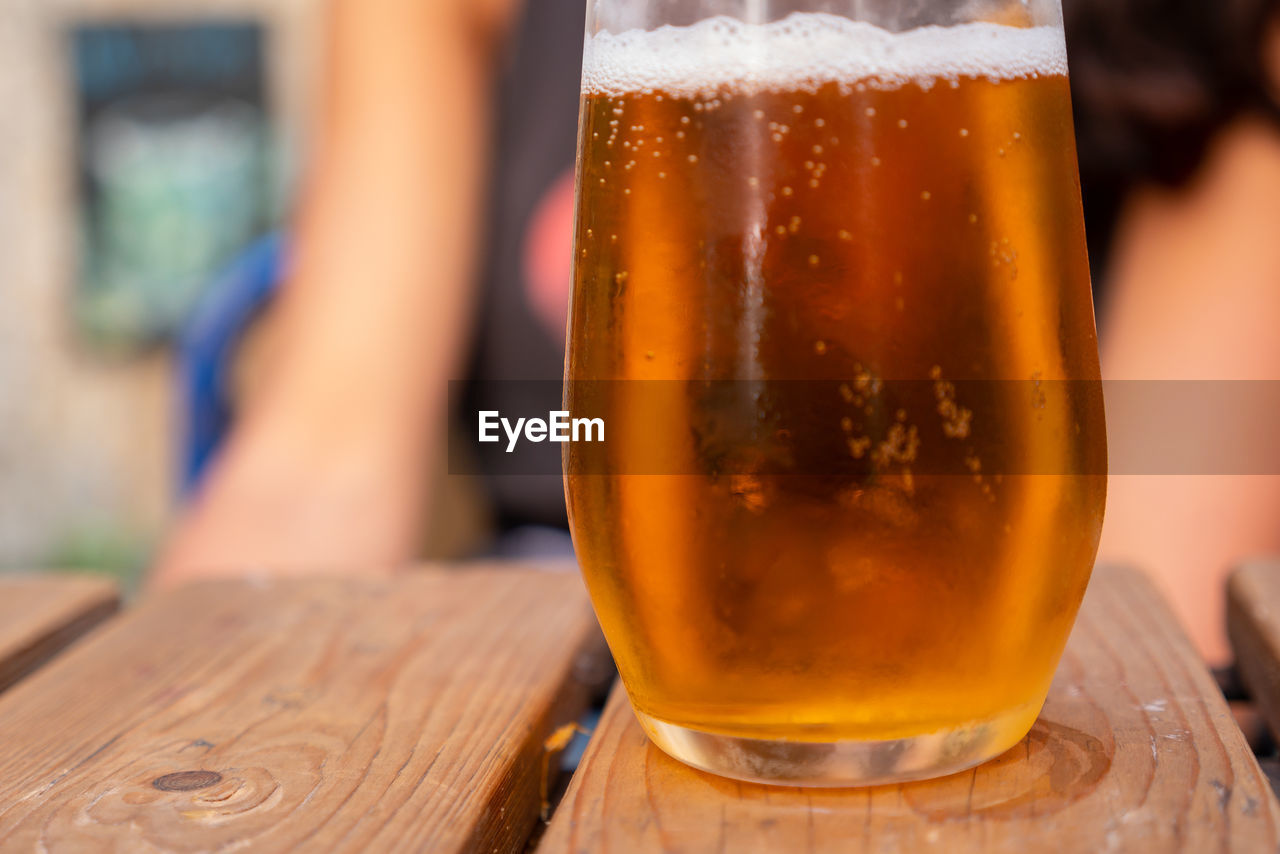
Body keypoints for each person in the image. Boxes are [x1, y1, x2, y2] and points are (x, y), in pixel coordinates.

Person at [153, 0, 1280, 667]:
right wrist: (145, 742)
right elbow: (322, 464)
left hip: (969, 697)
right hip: (554, 664)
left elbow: (1142, 619)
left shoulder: (1194, 29)